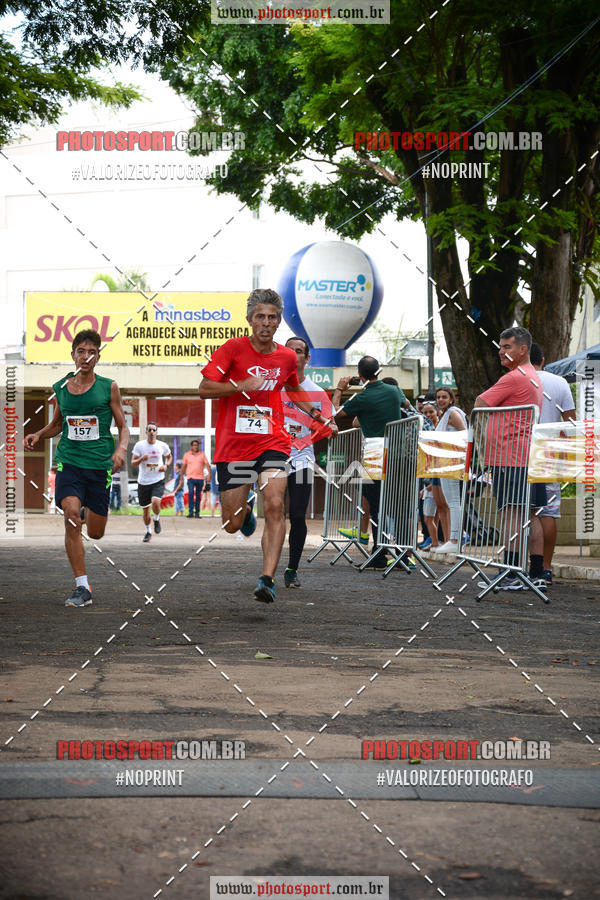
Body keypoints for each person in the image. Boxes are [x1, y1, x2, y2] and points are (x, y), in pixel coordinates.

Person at [198, 288, 336, 603]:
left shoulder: (286, 356)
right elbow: (204, 388)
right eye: (260, 316)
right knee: (232, 525)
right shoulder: (232, 349)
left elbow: (294, 386)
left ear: (278, 322)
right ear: (249, 319)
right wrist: (239, 385)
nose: (266, 322)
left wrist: (315, 413)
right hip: (234, 445)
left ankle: (267, 578)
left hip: (273, 441)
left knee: (275, 504)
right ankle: (244, 512)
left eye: (272, 317)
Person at [23, 328, 130, 607]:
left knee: (95, 532)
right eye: (80, 351)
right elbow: (58, 424)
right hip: (69, 461)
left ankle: (85, 509)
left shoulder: (109, 387)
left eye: (91, 352)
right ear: (73, 355)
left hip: (99, 466)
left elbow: (122, 426)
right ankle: (82, 587)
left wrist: (120, 449)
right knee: (71, 516)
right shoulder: (60, 387)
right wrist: (38, 434)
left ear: (98, 356)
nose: (86, 356)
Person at [474, 326, 546, 591]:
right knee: (530, 513)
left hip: (510, 456)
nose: (501, 352)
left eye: (507, 347)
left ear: (523, 349)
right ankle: (536, 572)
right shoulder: (533, 376)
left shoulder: (514, 377)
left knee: (511, 514)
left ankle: (512, 572)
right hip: (525, 454)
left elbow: (480, 404)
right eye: (501, 347)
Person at [333, 356, 404, 569]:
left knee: (376, 505)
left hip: (374, 453)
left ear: (360, 375)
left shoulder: (361, 398)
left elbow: (334, 413)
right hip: (397, 452)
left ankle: (380, 553)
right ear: (379, 371)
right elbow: (406, 404)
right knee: (398, 503)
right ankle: (400, 552)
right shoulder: (393, 391)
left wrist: (339, 389)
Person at [281, 336, 335, 588]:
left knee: (297, 514)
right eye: (289, 350)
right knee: (273, 512)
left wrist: (323, 426)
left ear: (307, 358)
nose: (294, 354)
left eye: (299, 351)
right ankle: (268, 565)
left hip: (302, 458)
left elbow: (330, 425)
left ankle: (292, 568)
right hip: (273, 455)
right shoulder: (272, 386)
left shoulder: (317, 392)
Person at [530, 343, 576, 584]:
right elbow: (570, 423)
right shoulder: (560, 383)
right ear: (544, 359)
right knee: (548, 511)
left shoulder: (518, 379)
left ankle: (525, 566)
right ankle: (546, 568)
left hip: (522, 452)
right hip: (550, 454)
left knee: (522, 510)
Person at [430, 388, 468, 555]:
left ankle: (454, 539)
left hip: (452, 462)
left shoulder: (453, 413)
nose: (440, 399)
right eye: (438, 397)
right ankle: (453, 539)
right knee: (451, 501)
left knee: (453, 502)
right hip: (445, 462)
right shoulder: (444, 415)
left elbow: (464, 434)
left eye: (444, 397)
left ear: (451, 399)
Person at [131, 423, 172, 542]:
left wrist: (166, 465)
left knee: (155, 502)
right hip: (143, 482)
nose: (152, 432)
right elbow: (133, 462)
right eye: (149, 430)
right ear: (146, 432)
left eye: (154, 430)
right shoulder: (140, 446)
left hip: (158, 479)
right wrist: (141, 459)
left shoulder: (162, 445)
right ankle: (148, 531)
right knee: (145, 510)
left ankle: (157, 519)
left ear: (157, 432)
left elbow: (169, 457)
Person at [179, 439, 211, 518]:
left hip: (200, 478)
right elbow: (183, 467)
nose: (196, 447)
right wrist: (181, 477)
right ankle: (190, 512)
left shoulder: (202, 455)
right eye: (194, 445)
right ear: (191, 446)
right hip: (190, 478)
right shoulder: (187, 455)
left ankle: (197, 513)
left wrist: (209, 474)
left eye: (197, 445)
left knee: (198, 496)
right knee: (190, 494)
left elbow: (207, 465)